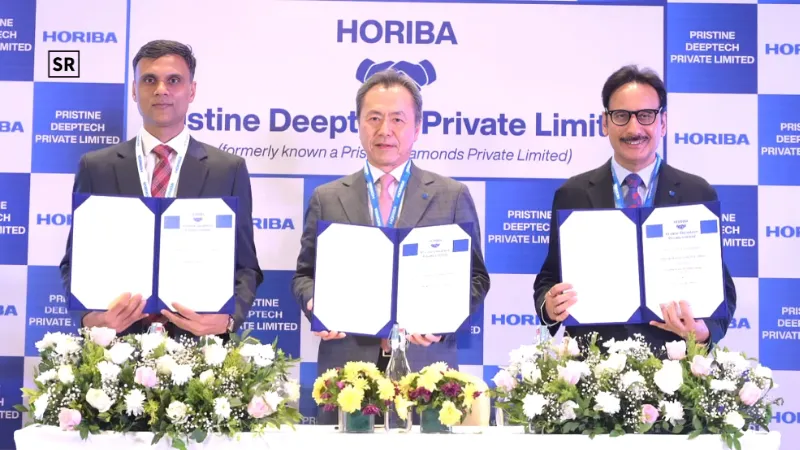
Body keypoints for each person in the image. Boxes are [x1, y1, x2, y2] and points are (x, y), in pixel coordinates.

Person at [291, 69, 490, 424]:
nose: (385, 130)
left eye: (398, 119)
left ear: (418, 127)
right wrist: (312, 301)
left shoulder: (451, 195)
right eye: (374, 118)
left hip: (427, 373)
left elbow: (476, 279)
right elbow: (305, 275)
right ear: (358, 124)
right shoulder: (327, 197)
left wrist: (442, 320)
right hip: (347, 371)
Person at [59, 40, 263, 339]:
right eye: (149, 80)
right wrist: (88, 318)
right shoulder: (96, 166)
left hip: (200, 345)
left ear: (191, 91)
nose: (161, 90)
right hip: (115, 344)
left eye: (174, 80)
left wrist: (228, 321)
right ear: (134, 90)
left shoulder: (227, 169)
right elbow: (74, 261)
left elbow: (246, 266)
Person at [533, 64, 736, 352]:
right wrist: (550, 305)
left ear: (663, 122)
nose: (633, 128)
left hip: (673, 360)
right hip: (594, 362)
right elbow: (549, 278)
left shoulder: (696, 192)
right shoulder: (572, 194)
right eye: (621, 116)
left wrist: (703, 333)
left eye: (646, 115)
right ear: (605, 123)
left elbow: (721, 288)